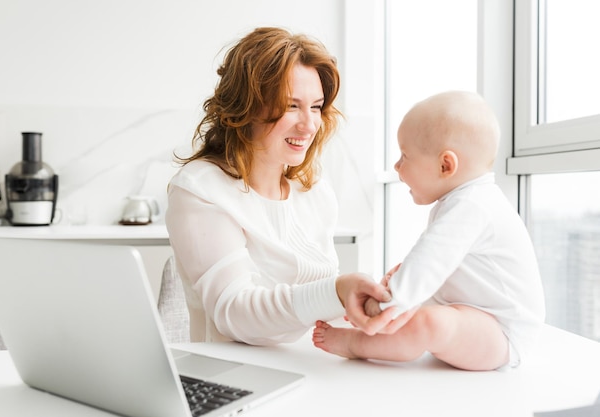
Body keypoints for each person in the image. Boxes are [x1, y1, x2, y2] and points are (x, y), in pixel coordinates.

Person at [165, 27, 391, 345]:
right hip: (241, 381)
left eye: (316, 106)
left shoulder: (314, 192)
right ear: (246, 107)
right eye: (290, 106)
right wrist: (337, 292)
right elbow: (233, 313)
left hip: (319, 369)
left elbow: (321, 315)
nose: (309, 124)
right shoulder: (201, 191)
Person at [313, 91, 546, 371]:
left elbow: (428, 262)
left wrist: (382, 308)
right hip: (476, 322)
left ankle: (356, 344)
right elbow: (437, 275)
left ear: (445, 165)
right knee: (416, 306)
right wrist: (397, 294)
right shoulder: (464, 200)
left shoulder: (473, 205)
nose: (397, 167)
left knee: (427, 322)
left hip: (505, 336)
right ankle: (382, 326)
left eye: (404, 156)